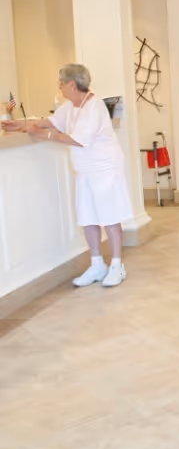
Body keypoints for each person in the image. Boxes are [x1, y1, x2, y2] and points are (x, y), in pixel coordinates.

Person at [1, 64, 133, 287]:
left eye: (61, 83)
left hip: (104, 169)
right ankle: (97, 264)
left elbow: (77, 139)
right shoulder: (71, 106)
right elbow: (49, 121)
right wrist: (20, 125)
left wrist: (42, 134)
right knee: (88, 217)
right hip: (84, 170)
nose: (59, 87)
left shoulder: (94, 106)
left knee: (109, 217)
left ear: (72, 84)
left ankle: (117, 266)